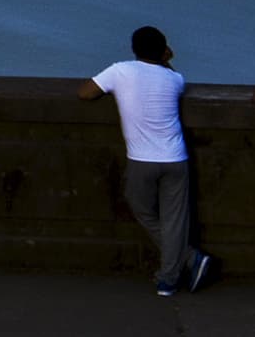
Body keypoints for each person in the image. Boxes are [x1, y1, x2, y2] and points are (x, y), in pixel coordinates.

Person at [80, 25, 213, 295]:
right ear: (165, 51)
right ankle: (172, 276)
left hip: (141, 159)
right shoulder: (174, 78)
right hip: (176, 157)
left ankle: (184, 263)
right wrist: (167, 61)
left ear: (133, 49)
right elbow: (174, 81)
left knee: (141, 209)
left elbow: (85, 93)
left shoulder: (120, 70)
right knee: (175, 220)